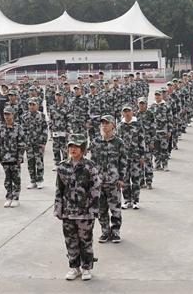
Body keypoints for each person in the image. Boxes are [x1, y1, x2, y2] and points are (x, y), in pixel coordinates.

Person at [55, 134, 100, 281]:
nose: (73, 149)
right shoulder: (62, 166)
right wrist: (58, 209)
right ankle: (74, 268)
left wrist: (94, 211)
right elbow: (59, 190)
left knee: (85, 240)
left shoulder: (90, 166)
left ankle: (86, 267)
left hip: (85, 212)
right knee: (70, 240)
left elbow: (95, 190)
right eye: (70, 146)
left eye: (76, 146)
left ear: (83, 148)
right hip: (68, 211)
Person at [88, 115, 125, 243]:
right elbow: (91, 162)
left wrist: (121, 178)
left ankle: (115, 232)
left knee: (115, 208)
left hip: (114, 181)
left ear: (113, 125)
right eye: (102, 123)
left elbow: (123, 161)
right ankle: (105, 231)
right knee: (101, 209)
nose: (104, 125)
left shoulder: (118, 142)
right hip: (99, 182)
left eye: (107, 123)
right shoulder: (95, 142)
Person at [116, 104, 145, 209]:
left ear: (133, 112)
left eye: (129, 111)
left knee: (136, 179)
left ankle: (135, 200)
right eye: (125, 111)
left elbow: (141, 141)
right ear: (122, 112)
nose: (127, 113)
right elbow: (117, 143)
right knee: (125, 180)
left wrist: (142, 156)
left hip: (136, 157)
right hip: (124, 158)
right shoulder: (120, 126)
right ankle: (127, 200)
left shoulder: (137, 125)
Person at [0, 106, 26, 208]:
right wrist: (0, 157)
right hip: (5, 158)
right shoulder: (1, 128)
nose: (7, 116)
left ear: (13, 115)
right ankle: (9, 197)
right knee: (7, 179)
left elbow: (22, 144)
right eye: (5, 114)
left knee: (16, 179)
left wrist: (19, 158)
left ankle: (16, 198)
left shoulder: (18, 128)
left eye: (8, 114)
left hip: (14, 158)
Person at [23, 98, 48, 190]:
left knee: (39, 161)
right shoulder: (25, 116)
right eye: (30, 104)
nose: (31, 106)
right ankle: (32, 180)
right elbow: (24, 130)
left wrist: (44, 142)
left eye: (33, 104)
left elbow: (45, 129)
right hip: (29, 143)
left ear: (37, 105)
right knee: (30, 162)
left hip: (38, 142)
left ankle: (40, 180)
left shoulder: (42, 116)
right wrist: (24, 142)